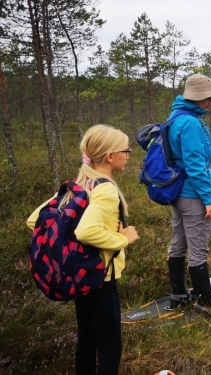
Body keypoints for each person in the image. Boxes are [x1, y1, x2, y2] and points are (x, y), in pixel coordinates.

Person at [27, 125, 140, 375]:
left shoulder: (80, 183)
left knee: (87, 340)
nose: (128, 155)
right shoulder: (107, 189)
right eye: (126, 150)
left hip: (80, 277)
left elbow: (35, 219)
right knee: (110, 345)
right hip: (102, 278)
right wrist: (122, 238)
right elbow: (86, 232)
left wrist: (69, 247)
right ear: (110, 156)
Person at [165, 74, 211, 315]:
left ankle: (179, 294)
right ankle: (206, 304)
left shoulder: (176, 116)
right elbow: (195, 165)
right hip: (193, 195)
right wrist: (208, 199)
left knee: (179, 243)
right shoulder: (190, 123)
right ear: (197, 97)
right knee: (198, 248)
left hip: (179, 193)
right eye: (209, 98)